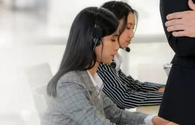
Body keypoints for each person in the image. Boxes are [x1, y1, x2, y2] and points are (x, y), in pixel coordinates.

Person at [42, 7, 172, 125]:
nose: (116, 47)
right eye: (113, 40)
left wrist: (153, 120)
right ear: (94, 41)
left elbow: (117, 115)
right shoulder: (69, 83)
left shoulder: (92, 78)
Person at [97, 1, 165, 109]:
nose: (132, 35)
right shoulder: (101, 62)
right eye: (128, 28)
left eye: (133, 29)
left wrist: (164, 89)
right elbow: (124, 98)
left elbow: (130, 84)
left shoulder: (111, 59)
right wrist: (169, 96)